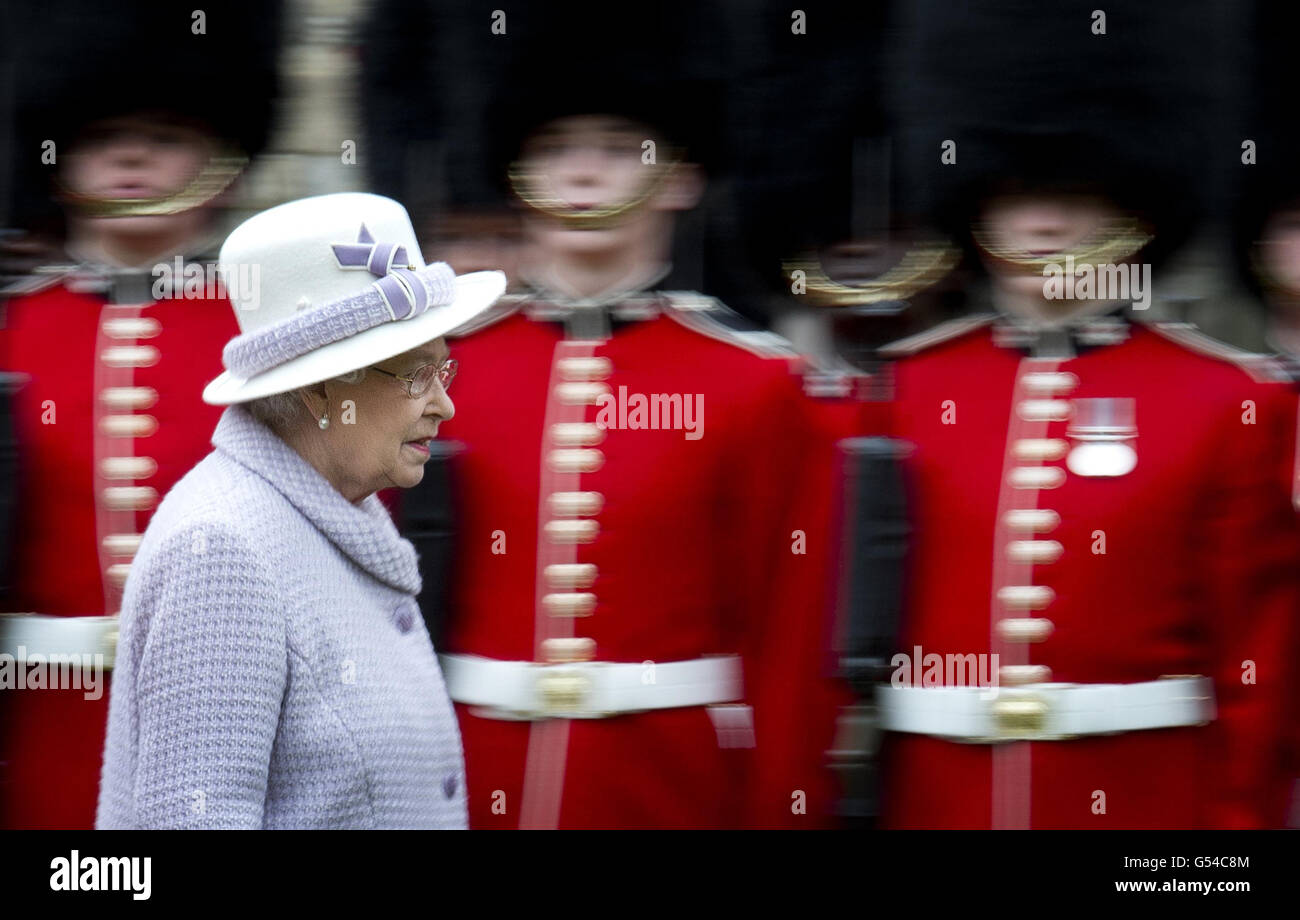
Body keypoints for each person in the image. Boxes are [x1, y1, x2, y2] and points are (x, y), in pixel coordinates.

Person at [376, 1, 845, 829]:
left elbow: (790, 642)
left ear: (684, 175)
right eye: (554, 149)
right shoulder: (434, 369)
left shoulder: (760, 383)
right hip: (466, 774)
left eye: (620, 150)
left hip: (672, 784)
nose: (583, 171)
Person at [849, 0, 1300, 828]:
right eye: (1016, 195)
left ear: (1135, 206)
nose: (1043, 222)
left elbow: (1257, 670)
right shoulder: (902, 393)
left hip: (1145, 807)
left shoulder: (1231, 401)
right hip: (940, 798)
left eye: (1073, 194)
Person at [96, 192, 506, 828]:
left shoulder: (335, 508)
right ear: (321, 390)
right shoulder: (224, 552)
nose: (443, 406)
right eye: (414, 377)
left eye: (442, 372)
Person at [0, 1, 281, 828]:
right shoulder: (14, 325)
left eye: (163, 137)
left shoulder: (269, 330)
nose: (128, 155)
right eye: (99, 137)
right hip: (39, 733)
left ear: (223, 163)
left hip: (228, 731)